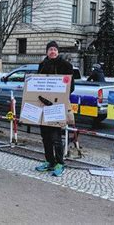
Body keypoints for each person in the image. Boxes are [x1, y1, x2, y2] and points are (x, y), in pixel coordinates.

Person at [35, 40, 75, 177]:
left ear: (58, 52)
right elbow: (36, 85)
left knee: (56, 136)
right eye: (50, 49)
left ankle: (59, 162)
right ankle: (49, 161)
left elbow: (71, 87)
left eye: (55, 49)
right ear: (47, 51)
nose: (52, 51)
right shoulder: (41, 65)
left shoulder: (66, 66)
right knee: (45, 136)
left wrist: (59, 97)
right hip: (42, 106)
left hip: (57, 106)